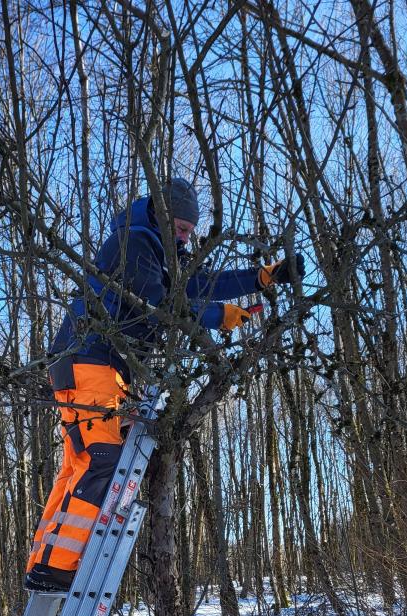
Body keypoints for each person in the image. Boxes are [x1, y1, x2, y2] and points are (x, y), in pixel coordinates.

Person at [25, 178, 305, 592]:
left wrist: (261, 278)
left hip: (90, 364)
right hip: (92, 361)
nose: (184, 237)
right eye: (179, 228)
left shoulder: (154, 250)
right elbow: (158, 307)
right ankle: (57, 566)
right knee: (100, 460)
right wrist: (217, 316)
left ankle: (46, 561)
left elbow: (196, 284)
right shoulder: (134, 245)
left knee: (78, 465)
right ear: (158, 214)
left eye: (189, 231)